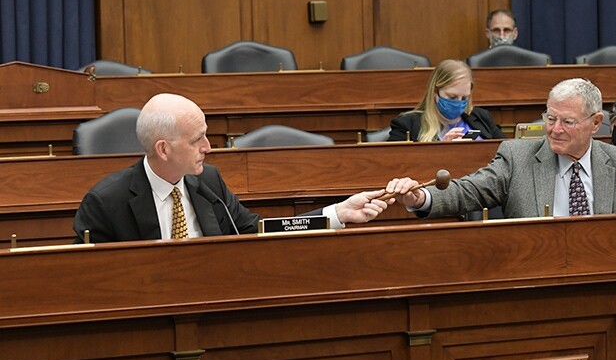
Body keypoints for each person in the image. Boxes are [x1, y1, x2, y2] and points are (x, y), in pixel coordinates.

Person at [73, 93, 390, 243]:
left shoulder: (208, 182)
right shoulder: (106, 201)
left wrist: (335, 214)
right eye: (197, 140)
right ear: (163, 149)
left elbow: (258, 231)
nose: (208, 147)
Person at [385, 78, 616, 219]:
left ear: (595, 123)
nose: (555, 129)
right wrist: (420, 198)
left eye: (568, 122)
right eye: (550, 119)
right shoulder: (517, 158)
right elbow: (468, 190)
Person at [387, 59, 506, 142]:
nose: (459, 102)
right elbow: (394, 163)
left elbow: (506, 150)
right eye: (452, 97)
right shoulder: (407, 124)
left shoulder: (482, 117)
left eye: (464, 98)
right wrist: (442, 149)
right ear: (435, 92)